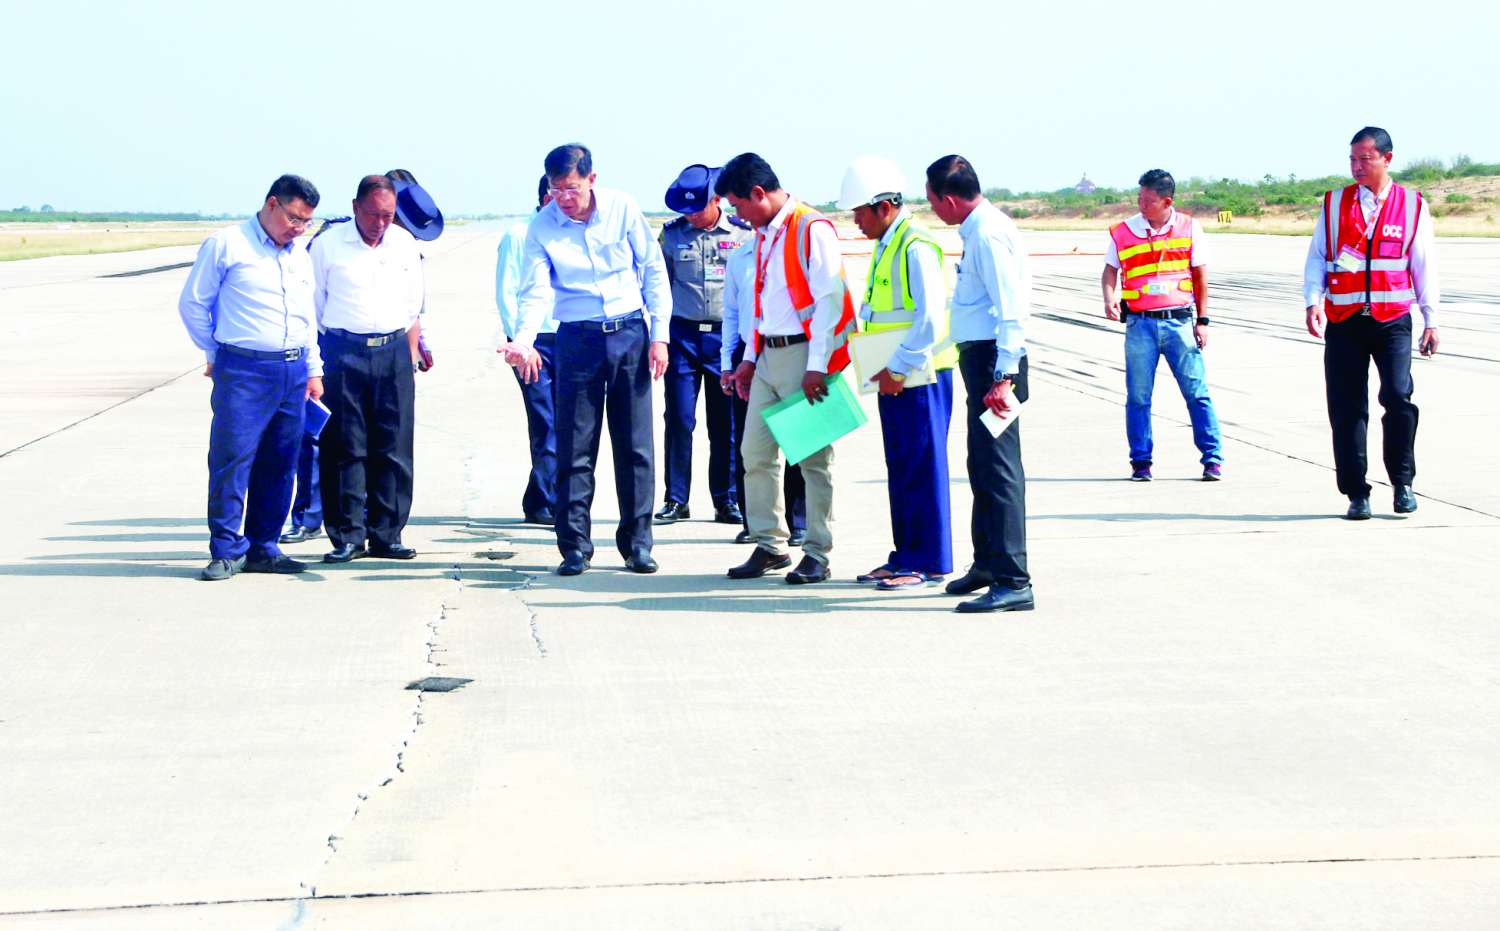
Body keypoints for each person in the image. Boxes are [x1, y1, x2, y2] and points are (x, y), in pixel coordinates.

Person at [501, 144, 671, 576]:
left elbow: (653, 269)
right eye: (556, 189)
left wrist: (660, 336)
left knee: (635, 446)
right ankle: (575, 546)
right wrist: (523, 340)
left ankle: (638, 544)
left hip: (629, 333)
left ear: (591, 179)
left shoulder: (622, 208)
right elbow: (534, 291)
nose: (564, 198)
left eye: (572, 188)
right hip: (576, 339)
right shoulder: (542, 227)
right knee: (575, 447)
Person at [718, 153, 858, 585]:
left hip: (804, 358)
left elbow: (828, 303)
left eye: (739, 205)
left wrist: (817, 367)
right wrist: (747, 359)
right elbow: (762, 305)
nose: (738, 215)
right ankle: (770, 545)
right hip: (766, 357)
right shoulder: (764, 235)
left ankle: (817, 552)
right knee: (755, 455)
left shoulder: (812, 229)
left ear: (759, 193)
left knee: (813, 461)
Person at [177, 174, 324, 580]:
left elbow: (306, 317)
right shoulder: (227, 244)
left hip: (293, 369)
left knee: (281, 462)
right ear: (272, 204)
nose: (299, 228)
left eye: (306, 221)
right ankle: (226, 549)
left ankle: (264, 546)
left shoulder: (299, 255)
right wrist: (217, 351)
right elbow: (193, 304)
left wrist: (314, 369)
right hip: (244, 369)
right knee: (232, 460)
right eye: (294, 218)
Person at [1303, 126, 1439, 520]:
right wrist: (1313, 300)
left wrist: (1431, 319)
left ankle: (1403, 482)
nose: (1357, 167)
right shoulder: (1334, 203)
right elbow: (1317, 256)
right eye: (1352, 159)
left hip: (1391, 320)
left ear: (1386, 159)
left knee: (1397, 397)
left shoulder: (1411, 205)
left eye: (1365, 159)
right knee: (1347, 408)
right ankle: (1356, 492)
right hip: (1344, 320)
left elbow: (1424, 264)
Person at [838, 156, 956, 590]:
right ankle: (905, 554)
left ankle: (929, 561)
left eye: (860, 213)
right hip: (895, 375)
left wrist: (897, 367)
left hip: (919, 376)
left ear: (883, 207)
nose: (856, 222)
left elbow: (929, 320)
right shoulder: (888, 243)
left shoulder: (915, 246)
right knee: (903, 467)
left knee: (923, 468)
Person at [925, 154, 1034, 613]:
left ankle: (1013, 580)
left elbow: (1011, 310)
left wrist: (1004, 377)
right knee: (982, 465)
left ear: (949, 200)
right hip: (984, 361)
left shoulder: (987, 234)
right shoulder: (978, 230)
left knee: (1000, 469)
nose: (934, 211)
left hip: (995, 364)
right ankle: (988, 563)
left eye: (933, 202)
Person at [311, 175, 426, 563]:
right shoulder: (328, 246)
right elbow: (315, 305)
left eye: (388, 215)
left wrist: (409, 354)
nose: (380, 223)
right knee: (345, 446)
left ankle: (387, 534)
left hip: (392, 351)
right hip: (343, 351)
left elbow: (413, 303)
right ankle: (347, 535)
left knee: (394, 446)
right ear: (355, 207)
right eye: (373, 214)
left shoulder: (404, 244)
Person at [1101, 169, 1223, 482]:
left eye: (1148, 200)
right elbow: (1110, 270)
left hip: (1179, 322)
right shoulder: (1124, 231)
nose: (1141, 205)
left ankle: (1212, 459)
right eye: (1139, 198)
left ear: (1167, 201)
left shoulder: (1190, 228)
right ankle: (1141, 462)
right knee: (1138, 397)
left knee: (1197, 393)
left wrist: (1203, 320)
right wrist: (1108, 297)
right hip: (1140, 325)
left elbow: (1200, 277)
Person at [655, 164, 752, 526]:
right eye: (686, 210)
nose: (692, 216)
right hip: (682, 336)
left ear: (716, 201)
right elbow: (660, 286)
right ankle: (676, 498)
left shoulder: (742, 234)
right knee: (679, 419)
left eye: (698, 209)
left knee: (725, 423)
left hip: (724, 338)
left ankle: (726, 499)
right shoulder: (671, 236)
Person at [720, 228, 807, 548]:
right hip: (748, 355)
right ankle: (754, 522)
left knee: (798, 441)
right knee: (751, 445)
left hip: (793, 350)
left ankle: (799, 521)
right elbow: (731, 313)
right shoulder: (739, 257)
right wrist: (727, 363)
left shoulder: (797, 250)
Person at [497, 176, 558, 526]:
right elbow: (506, 293)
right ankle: (546, 501)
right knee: (544, 420)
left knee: (565, 422)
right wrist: (522, 344)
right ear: (547, 197)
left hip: (569, 338)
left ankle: (539, 497)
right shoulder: (518, 235)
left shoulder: (568, 234)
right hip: (533, 344)